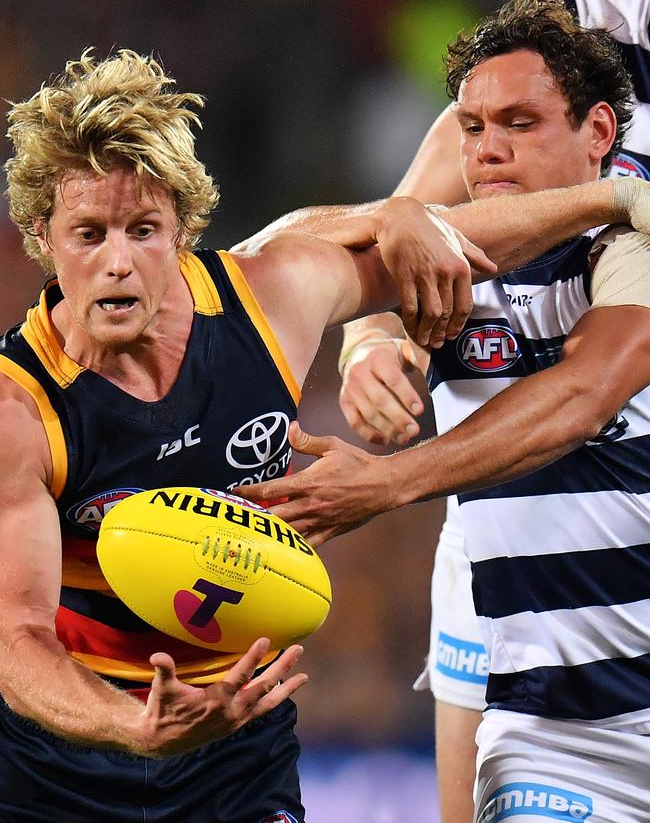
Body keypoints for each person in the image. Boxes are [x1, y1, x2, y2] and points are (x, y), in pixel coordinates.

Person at [1, 47, 629, 822]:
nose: (120, 263)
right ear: (42, 234)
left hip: (238, 749)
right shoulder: (19, 410)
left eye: (145, 229)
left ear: (184, 231)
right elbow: (16, 640)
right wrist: (134, 725)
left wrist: (618, 201)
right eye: (89, 234)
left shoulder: (266, 304)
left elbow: (464, 242)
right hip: (63, 770)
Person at [238, 0, 650, 822]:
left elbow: (586, 391)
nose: (489, 148)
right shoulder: (610, 20)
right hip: (556, 725)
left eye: (522, 125)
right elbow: (264, 265)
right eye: (473, 128)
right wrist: (372, 323)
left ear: (600, 133)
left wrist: (388, 484)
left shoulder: (631, 247)